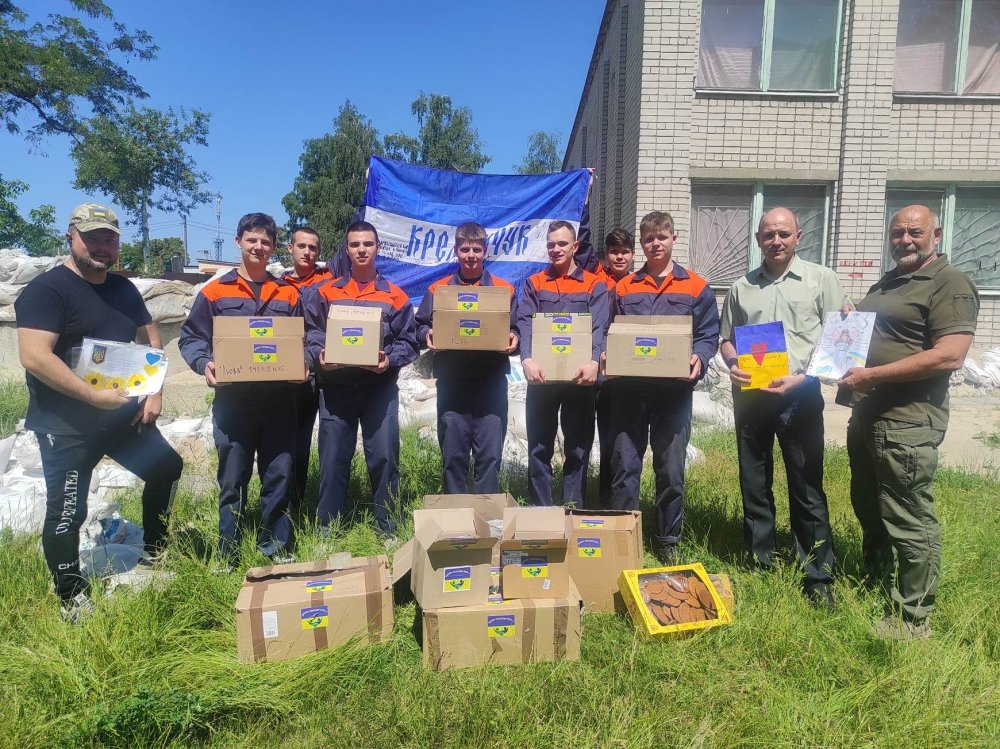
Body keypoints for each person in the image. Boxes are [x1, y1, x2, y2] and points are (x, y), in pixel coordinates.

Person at [14, 203, 183, 621]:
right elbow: (34, 356)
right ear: (70, 237)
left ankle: (155, 550)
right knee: (68, 511)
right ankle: (70, 592)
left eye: (109, 239)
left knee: (166, 467)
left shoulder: (123, 289)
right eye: (92, 238)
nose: (102, 247)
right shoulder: (47, 291)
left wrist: (154, 391)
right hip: (66, 426)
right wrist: (92, 397)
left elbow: (150, 338)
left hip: (119, 418)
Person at [838, 204, 978, 640]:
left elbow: (950, 355)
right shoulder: (891, 279)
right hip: (868, 415)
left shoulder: (949, 283)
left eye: (915, 232)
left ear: (936, 233)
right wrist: (851, 322)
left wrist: (872, 374)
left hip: (906, 423)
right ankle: (876, 577)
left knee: (909, 517)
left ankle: (913, 617)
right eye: (897, 233)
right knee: (869, 506)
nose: (905, 240)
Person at [719, 207, 850, 606]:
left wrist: (806, 377)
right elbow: (726, 339)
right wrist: (733, 362)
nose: (776, 241)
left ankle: (817, 575)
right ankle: (760, 562)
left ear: (798, 236)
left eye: (783, 234)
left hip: (801, 393)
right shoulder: (741, 287)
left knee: (807, 485)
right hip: (752, 396)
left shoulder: (822, 280)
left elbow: (842, 339)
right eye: (768, 235)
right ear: (758, 239)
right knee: (754, 483)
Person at [179, 212, 303, 567]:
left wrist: (306, 361)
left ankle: (276, 548)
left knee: (278, 475)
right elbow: (191, 338)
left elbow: (308, 337)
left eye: (265, 241)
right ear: (238, 242)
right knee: (232, 479)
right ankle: (228, 553)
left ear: (274, 247)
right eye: (252, 240)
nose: (258, 247)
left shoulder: (288, 293)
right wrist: (204, 363)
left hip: (280, 402)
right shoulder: (215, 291)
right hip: (234, 402)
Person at [605, 211, 719, 563]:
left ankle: (667, 540)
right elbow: (608, 329)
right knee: (625, 467)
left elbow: (708, 334)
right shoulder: (625, 287)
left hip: (673, 394)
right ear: (642, 243)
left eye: (662, 237)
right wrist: (606, 353)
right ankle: (624, 540)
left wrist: (700, 357)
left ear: (673, 238)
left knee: (670, 470)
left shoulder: (696, 286)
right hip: (629, 393)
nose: (655, 244)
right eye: (649, 239)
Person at [303, 221, 418, 538]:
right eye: (355, 244)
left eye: (367, 243)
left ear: (377, 247)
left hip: (378, 389)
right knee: (333, 460)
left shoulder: (394, 295)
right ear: (347, 249)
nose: (362, 250)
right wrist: (319, 355)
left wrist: (389, 360)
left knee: (384, 458)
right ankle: (328, 530)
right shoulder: (326, 292)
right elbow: (312, 332)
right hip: (336, 388)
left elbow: (409, 341)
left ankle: (389, 528)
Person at [415, 221, 519, 494]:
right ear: (456, 251)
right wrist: (426, 334)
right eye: (465, 249)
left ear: (485, 250)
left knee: (490, 455)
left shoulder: (504, 290)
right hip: (453, 383)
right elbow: (419, 326)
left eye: (476, 249)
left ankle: (487, 514)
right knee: (454, 454)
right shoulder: (438, 290)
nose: (470, 255)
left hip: (491, 383)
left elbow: (518, 329)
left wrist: (514, 339)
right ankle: (455, 513)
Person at [516, 220, 609, 506]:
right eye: (551, 244)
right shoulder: (534, 283)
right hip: (541, 379)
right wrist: (526, 359)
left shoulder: (594, 284)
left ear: (575, 246)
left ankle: (572, 507)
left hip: (579, 381)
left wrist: (594, 362)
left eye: (562, 244)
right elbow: (525, 324)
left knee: (577, 448)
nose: (555, 249)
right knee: (539, 447)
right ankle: (540, 509)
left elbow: (600, 327)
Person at [281, 226, 330, 512]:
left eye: (313, 248)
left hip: (325, 375)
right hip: (289, 377)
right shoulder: (279, 285)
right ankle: (291, 505)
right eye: (302, 246)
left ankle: (323, 504)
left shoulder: (330, 283)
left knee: (324, 443)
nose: (307, 252)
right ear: (290, 248)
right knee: (291, 441)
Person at [594, 228, 635, 504]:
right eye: (614, 252)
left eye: (624, 252)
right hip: (601, 375)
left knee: (625, 441)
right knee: (606, 437)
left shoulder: (637, 284)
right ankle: (604, 498)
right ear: (606, 256)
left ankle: (624, 498)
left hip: (630, 375)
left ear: (632, 254)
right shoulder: (597, 282)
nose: (619, 257)